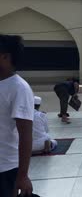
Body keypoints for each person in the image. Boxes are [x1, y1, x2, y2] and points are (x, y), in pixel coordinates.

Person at [0, 34, 34, 197]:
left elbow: (25, 134)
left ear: (5, 56)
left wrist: (23, 175)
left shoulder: (18, 88)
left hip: (5, 168)